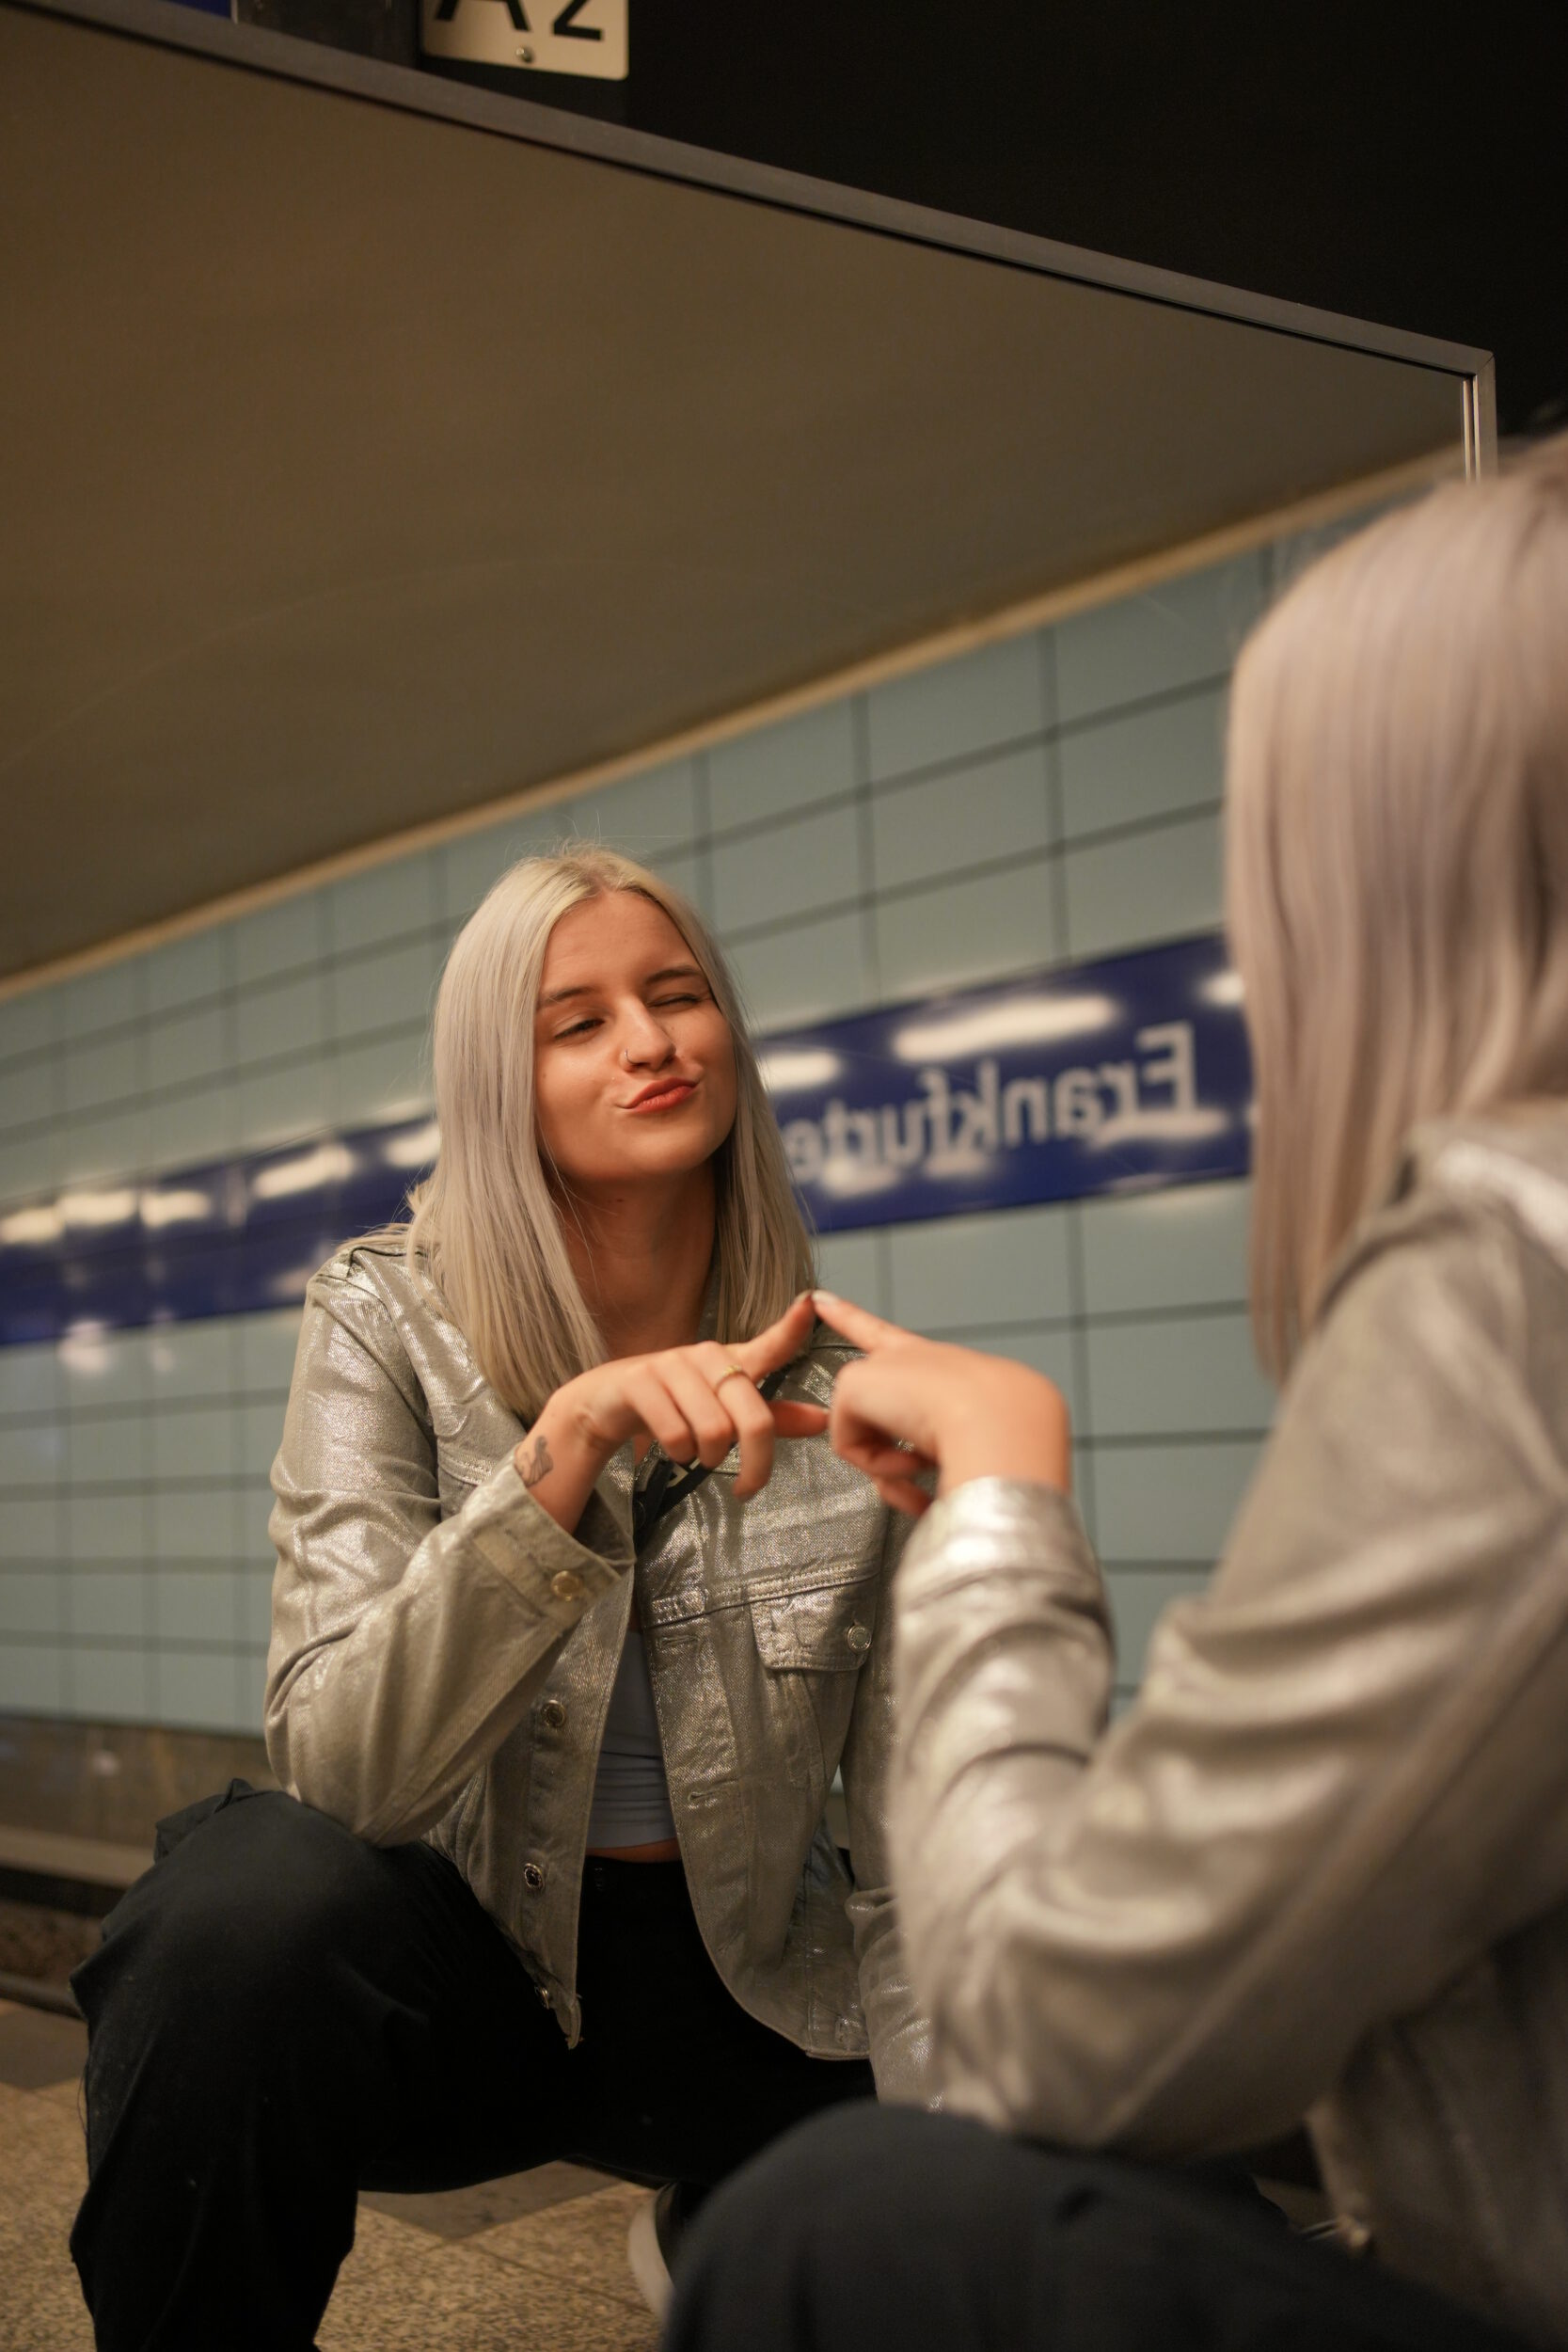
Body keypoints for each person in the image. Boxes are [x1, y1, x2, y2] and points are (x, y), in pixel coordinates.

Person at [666, 437, 1568, 2352]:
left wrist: (1000, 1504)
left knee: (838, 2225)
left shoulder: (1506, 1281)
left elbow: (1059, 2031)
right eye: (571, 1019)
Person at [68, 847, 932, 2352]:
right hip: (473, 1990)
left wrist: (967, 2174)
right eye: (578, 1022)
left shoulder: (847, 1396)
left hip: (759, 2001)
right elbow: (343, 1766)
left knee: (1130, 2191)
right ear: (497, 1084)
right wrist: (560, 1456)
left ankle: (745, 2215)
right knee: (235, 1911)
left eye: (677, 997)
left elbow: (919, 1856)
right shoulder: (383, 1318)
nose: (650, 1042)